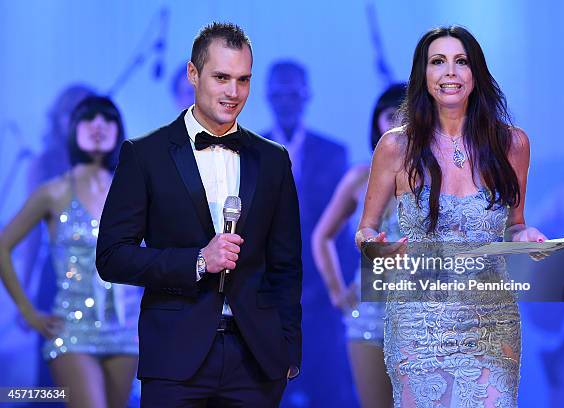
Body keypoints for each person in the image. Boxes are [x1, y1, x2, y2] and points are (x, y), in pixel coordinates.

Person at [95, 22, 302, 407]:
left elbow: (286, 263)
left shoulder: (273, 159)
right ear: (193, 73)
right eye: (221, 77)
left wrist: (288, 350)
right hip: (175, 359)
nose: (233, 92)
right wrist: (197, 261)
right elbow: (112, 256)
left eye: (243, 80)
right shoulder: (145, 155)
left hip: (257, 360)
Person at [355, 26, 547, 407]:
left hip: (490, 318)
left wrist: (527, 237)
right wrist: (375, 248)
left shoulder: (512, 144)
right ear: (423, 75)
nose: (450, 73)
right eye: (438, 62)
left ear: (475, 74)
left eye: (461, 62)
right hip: (418, 320)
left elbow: (516, 223)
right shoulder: (395, 146)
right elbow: (366, 228)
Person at [0, 96, 139, 408]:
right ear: (73, 128)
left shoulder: (134, 189)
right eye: (89, 119)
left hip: (126, 331)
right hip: (71, 329)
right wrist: (27, 311)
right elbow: (3, 246)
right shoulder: (54, 191)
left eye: (108, 120)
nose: (99, 127)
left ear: (119, 130)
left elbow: (155, 255)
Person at [263, 60, 353, 406]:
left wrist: (338, 289)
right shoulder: (248, 150)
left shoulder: (334, 153)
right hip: (269, 299)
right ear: (269, 96)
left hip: (323, 296)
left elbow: (341, 231)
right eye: (279, 92)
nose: (287, 99)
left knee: (329, 389)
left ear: (307, 95)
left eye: (294, 91)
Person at [312, 83, 405, 408]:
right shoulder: (360, 178)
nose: (399, 122)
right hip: (369, 314)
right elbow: (321, 236)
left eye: (408, 114)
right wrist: (337, 291)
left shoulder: (439, 178)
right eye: (392, 115)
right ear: (377, 122)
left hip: (424, 313)